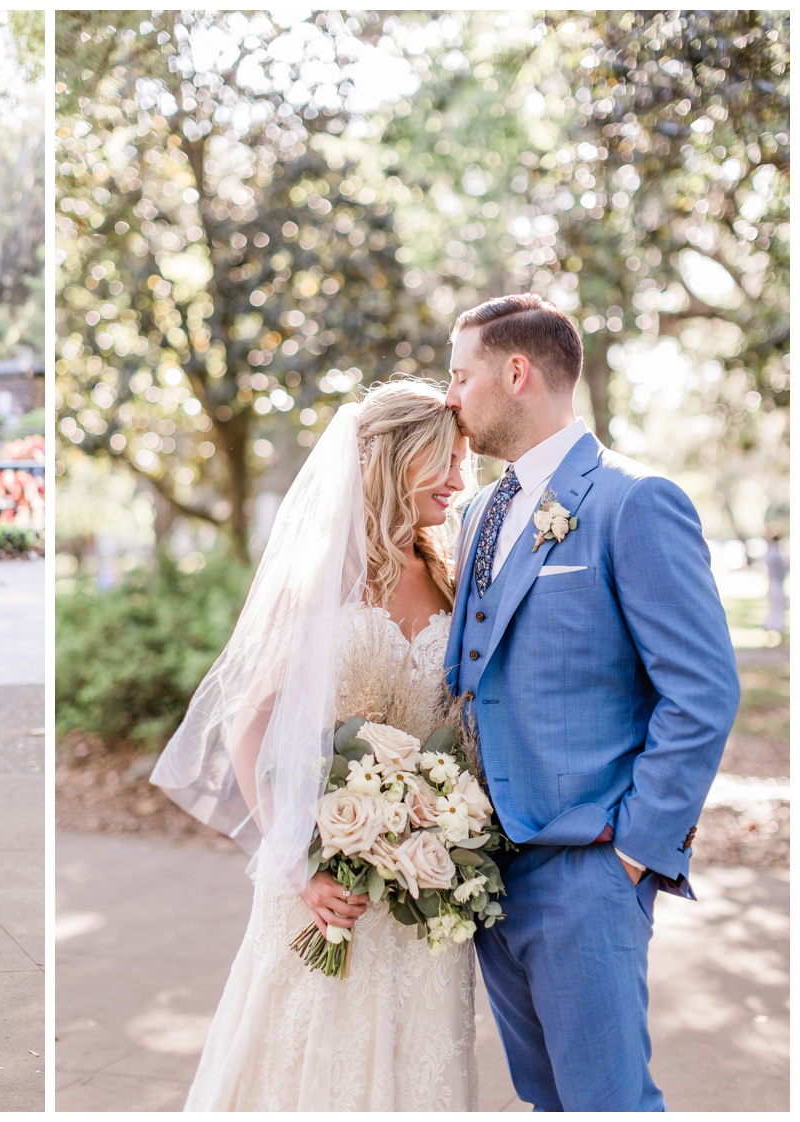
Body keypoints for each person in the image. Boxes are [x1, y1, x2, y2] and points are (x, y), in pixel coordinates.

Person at [444, 293, 739, 1111]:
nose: (450, 398)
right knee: (547, 1103)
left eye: (460, 376)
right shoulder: (477, 513)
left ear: (516, 371)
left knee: (609, 1106)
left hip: (588, 870)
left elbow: (703, 690)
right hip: (488, 871)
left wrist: (634, 854)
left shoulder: (632, 502)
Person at [153, 379, 479, 1110]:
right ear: (393, 463)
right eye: (444, 461)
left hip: (425, 876)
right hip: (325, 881)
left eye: (463, 462)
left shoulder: (453, 579)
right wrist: (297, 862)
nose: (460, 480)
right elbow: (248, 722)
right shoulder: (321, 575)